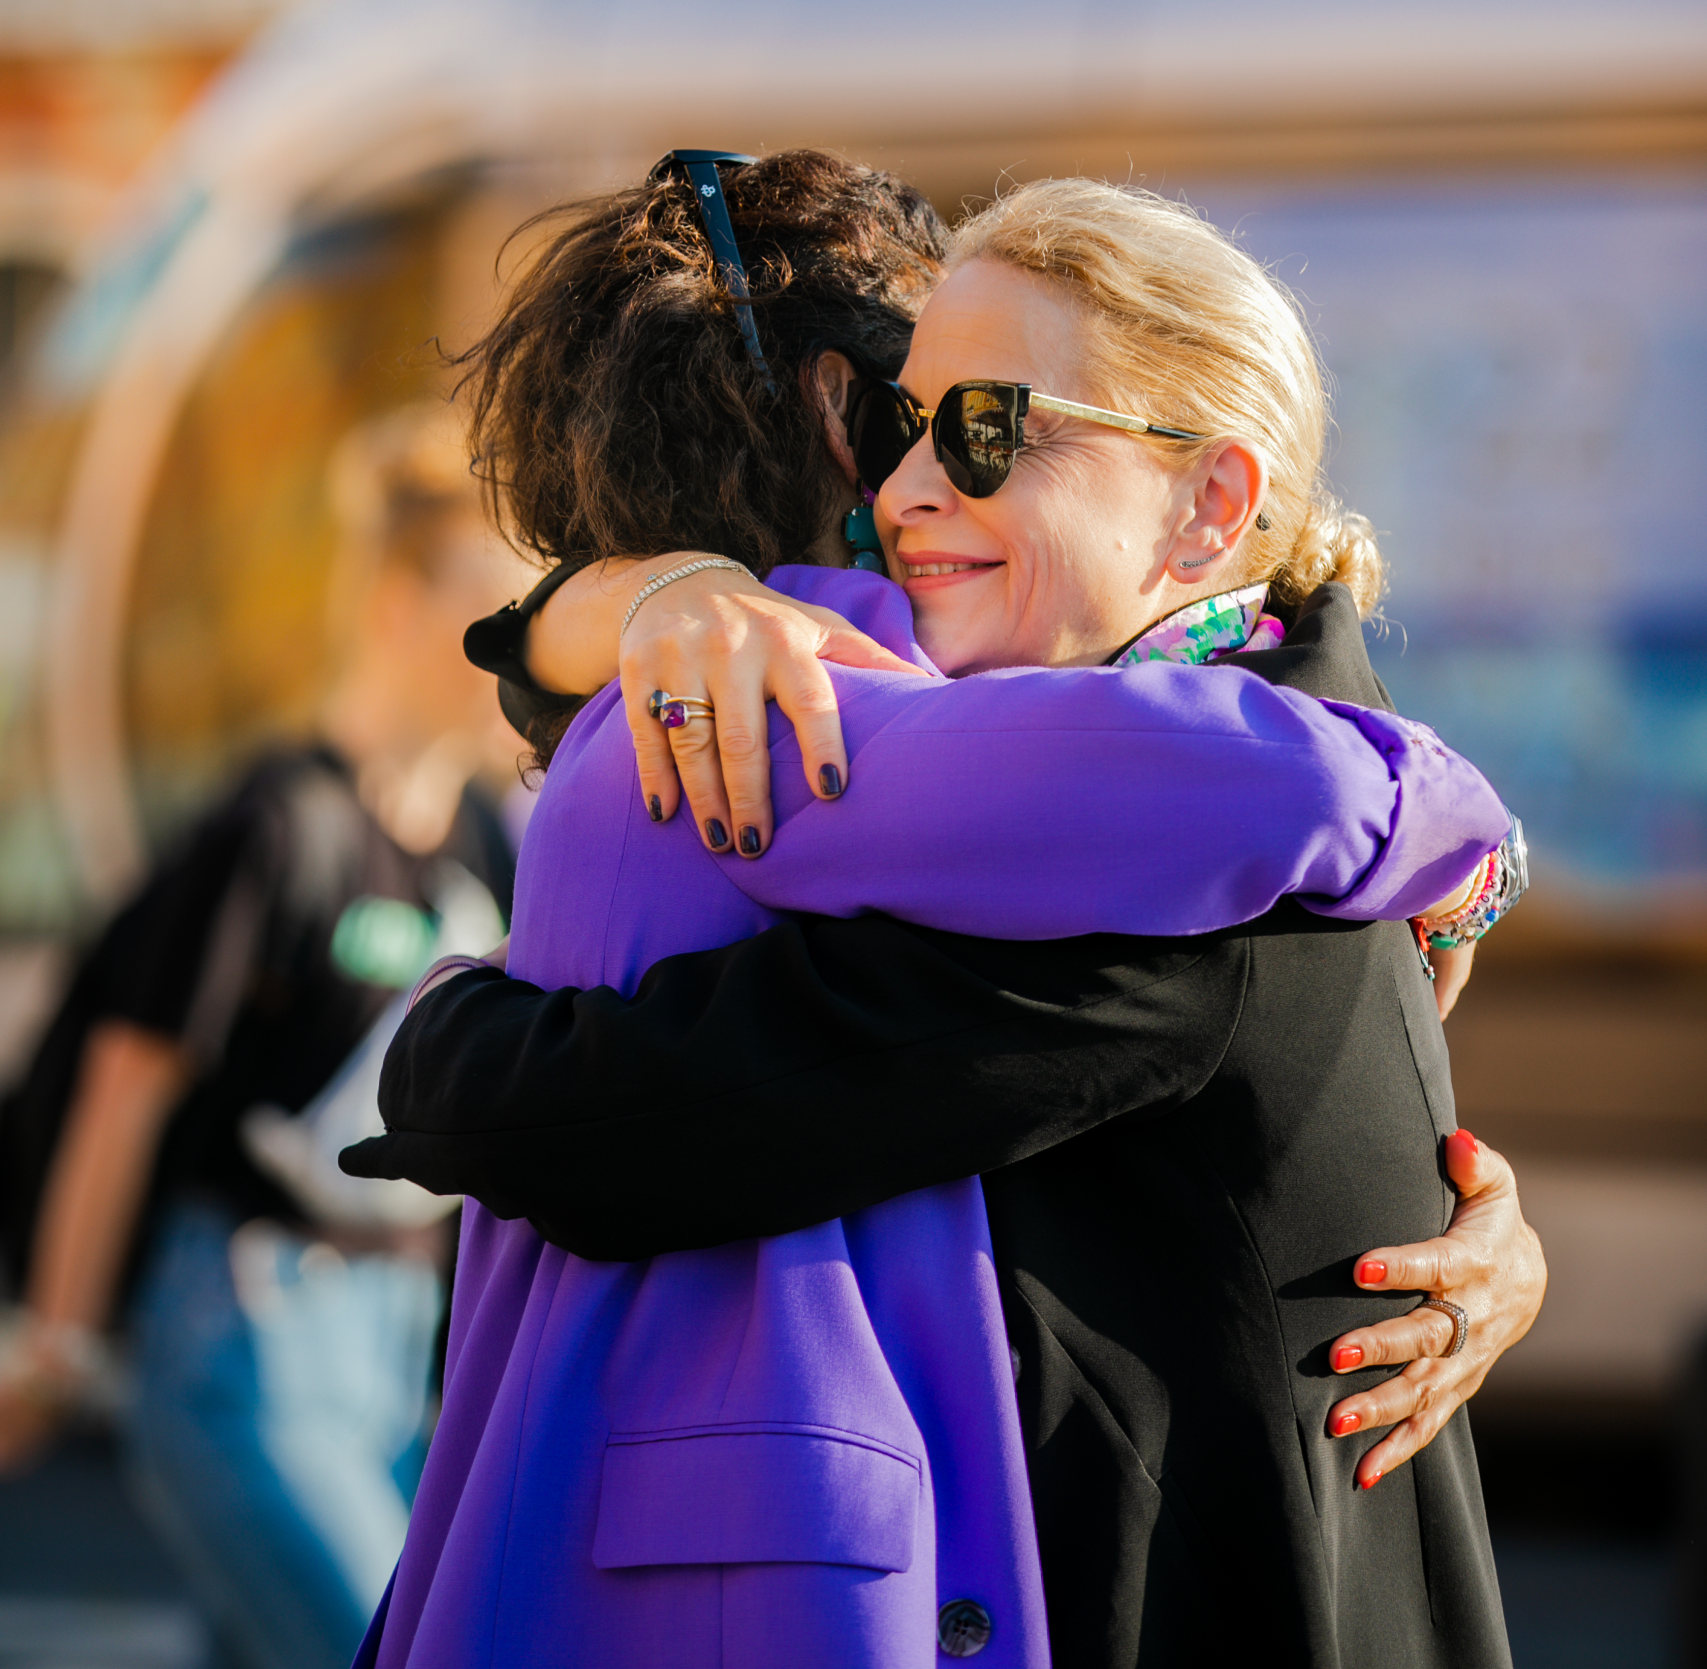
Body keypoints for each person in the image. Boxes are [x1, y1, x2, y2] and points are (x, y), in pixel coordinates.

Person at [349, 158, 1542, 1668]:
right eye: (899, 425)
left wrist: (447, 1035)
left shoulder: (1194, 888)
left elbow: (625, 1120)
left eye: (982, 430)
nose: (903, 490)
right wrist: (609, 608)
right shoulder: (1166, 787)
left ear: (1211, 502)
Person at [0, 406, 517, 1669]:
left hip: (396, 1356)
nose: (519, 652)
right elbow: (126, 1085)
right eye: (490, 616)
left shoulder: (483, 842)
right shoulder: (278, 826)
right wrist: (57, 1344)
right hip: (242, 1337)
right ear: (395, 606)